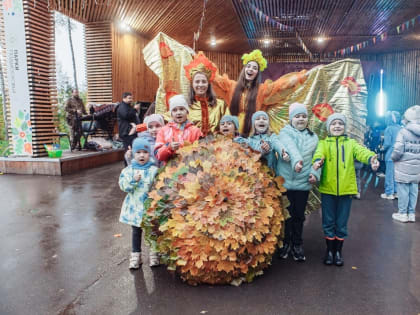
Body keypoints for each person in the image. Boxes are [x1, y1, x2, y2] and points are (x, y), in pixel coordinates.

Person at [313, 113, 379, 267]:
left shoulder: (351, 143)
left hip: (346, 190)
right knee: (328, 221)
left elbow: (362, 152)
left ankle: (338, 252)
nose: (337, 126)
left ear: (344, 127)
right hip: (328, 189)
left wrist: (371, 159)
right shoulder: (324, 143)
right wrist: (317, 161)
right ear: (329, 127)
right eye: (334, 123)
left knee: (341, 223)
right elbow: (318, 154)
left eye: (340, 124)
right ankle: (329, 251)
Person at [212, 49, 307, 135]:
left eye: (254, 68)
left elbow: (279, 87)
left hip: (253, 131)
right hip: (232, 131)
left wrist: (297, 78)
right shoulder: (232, 86)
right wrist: (203, 65)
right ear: (244, 69)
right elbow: (216, 80)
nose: (251, 69)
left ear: (257, 73)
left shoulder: (261, 90)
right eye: (248, 66)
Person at [273, 103, 320, 262]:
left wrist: (315, 173)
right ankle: (285, 243)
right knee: (286, 215)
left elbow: (317, 159)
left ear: (307, 119)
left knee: (299, 215)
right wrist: (296, 162)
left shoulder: (313, 137)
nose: (301, 119)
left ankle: (297, 244)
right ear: (291, 118)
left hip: (302, 183)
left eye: (303, 116)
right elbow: (291, 149)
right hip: (285, 182)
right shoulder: (284, 133)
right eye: (297, 116)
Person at [118, 138, 158, 269]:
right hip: (135, 208)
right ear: (133, 154)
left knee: (152, 231)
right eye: (138, 152)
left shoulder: (154, 170)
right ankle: (136, 256)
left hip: (150, 208)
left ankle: (154, 254)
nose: (142, 155)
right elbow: (123, 186)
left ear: (149, 154)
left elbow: (160, 187)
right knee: (136, 232)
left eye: (145, 152)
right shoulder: (128, 171)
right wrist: (133, 181)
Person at [183, 52, 230, 135]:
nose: (200, 85)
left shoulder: (221, 105)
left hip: (216, 145)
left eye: (204, 81)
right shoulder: (184, 106)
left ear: (208, 84)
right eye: (197, 82)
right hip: (191, 146)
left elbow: (229, 127)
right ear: (192, 84)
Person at [391, 105, 420, 223]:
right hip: (417, 167)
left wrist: (393, 158)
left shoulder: (403, 132)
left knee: (403, 190)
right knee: (414, 190)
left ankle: (402, 213)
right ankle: (411, 213)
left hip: (403, 166)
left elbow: (398, 150)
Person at [155, 95, 202, 162]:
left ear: (187, 111)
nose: (178, 113)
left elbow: (202, 152)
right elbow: (158, 155)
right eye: (174, 110)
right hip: (169, 170)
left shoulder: (195, 131)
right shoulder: (163, 131)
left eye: (181, 109)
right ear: (171, 114)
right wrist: (169, 147)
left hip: (190, 169)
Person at [381, 111, 401, 199]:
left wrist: (381, 148)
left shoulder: (389, 128)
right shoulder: (401, 128)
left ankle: (389, 193)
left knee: (389, 174)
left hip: (391, 154)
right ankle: (396, 192)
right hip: (400, 154)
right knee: (397, 174)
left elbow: (387, 143)